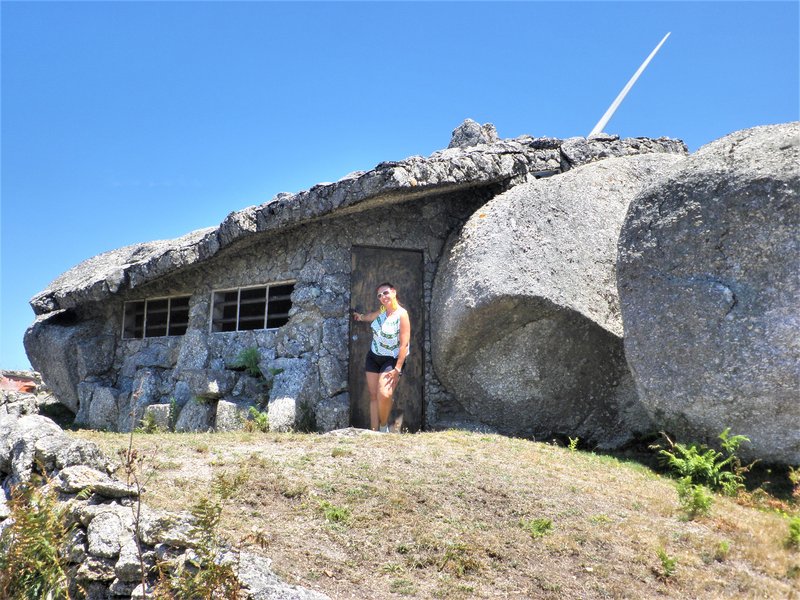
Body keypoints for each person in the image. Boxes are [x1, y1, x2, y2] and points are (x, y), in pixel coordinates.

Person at [352, 282, 410, 432]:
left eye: (385, 293)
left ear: (394, 292)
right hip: (373, 357)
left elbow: (404, 344)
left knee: (384, 394)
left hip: (391, 359)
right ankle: (373, 431)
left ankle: (383, 426)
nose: (383, 297)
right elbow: (372, 316)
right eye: (379, 295)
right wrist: (361, 317)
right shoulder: (383, 310)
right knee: (373, 396)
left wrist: (398, 368)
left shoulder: (402, 314)